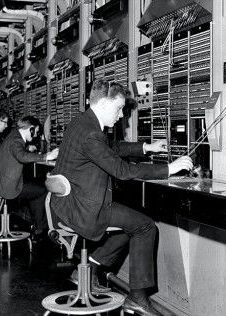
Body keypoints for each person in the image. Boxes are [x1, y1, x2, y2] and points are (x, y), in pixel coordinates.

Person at [50, 79, 193, 316]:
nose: (121, 117)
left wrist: (146, 148)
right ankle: (137, 298)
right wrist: (169, 169)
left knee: (131, 222)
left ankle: (89, 269)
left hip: (70, 204)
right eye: (118, 109)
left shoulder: (82, 123)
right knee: (145, 226)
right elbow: (122, 170)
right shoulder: (91, 134)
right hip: (84, 209)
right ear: (105, 103)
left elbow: (111, 148)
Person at [0, 116, 59, 236]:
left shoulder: (14, 135)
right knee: (42, 189)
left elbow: (18, 152)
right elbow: (21, 156)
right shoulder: (16, 140)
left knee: (35, 184)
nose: (35, 136)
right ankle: (39, 229)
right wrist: (46, 156)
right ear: (30, 129)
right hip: (6, 186)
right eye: (36, 131)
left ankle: (37, 225)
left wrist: (28, 150)